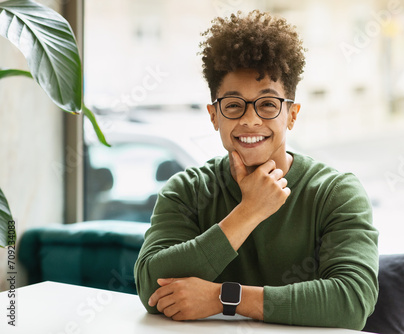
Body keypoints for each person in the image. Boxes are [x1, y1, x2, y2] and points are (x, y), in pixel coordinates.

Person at [134, 10, 379, 329]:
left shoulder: (336, 192)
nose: (250, 120)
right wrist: (249, 212)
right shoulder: (188, 189)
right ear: (213, 116)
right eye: (234, 105)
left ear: (292, 114)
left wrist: (223, 297)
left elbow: (353, 301)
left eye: (267, 104)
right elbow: (153, 288)